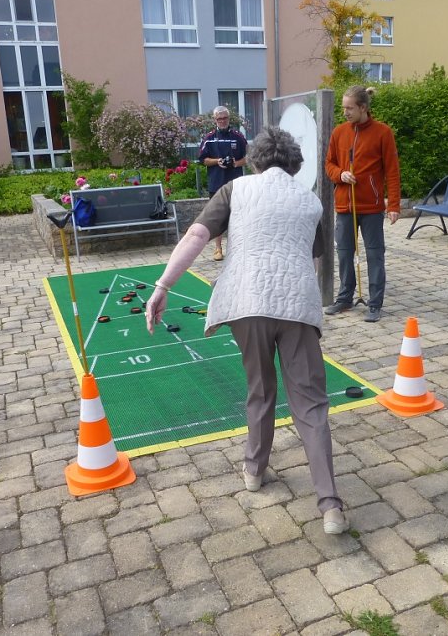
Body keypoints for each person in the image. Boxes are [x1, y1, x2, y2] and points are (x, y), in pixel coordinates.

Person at [146, 127, 349, 535]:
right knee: (310, 403)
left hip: (246, 301)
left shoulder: (235, 191)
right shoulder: (309, 201)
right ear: (293, 164)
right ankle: (330, 506)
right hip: (296, 306)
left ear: (255, 159)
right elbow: (313, 263)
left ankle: (254, 471)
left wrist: (163, 285)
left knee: (260, 389)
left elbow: (198, 235)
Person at [324, 85, 401, 323]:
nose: (345, 112)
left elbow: (392, 171)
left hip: (372, 207)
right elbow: (329, 164)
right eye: (343, 107)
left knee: (375, 255)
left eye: (349, 108)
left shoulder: (383, 132)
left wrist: (394, 205)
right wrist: (340, 174)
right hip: (345, 207)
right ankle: (345, 297)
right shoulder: (339, 132)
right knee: (345, 254)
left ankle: (375, 303)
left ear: (363, 108)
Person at [197, 106, 248, 261]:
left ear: (229, 118)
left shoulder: (238, 137)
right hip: (216, 183)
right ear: (215, 120)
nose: (222, 121)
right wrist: (216, 161)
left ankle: (236, 248)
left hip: (235, 183)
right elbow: (203, 159)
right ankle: (218, 249)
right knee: (217, 217)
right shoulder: (209, 138)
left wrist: (236, 163)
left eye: (225, 118)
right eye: (219, 119)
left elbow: (249, 157)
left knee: (237, 216)